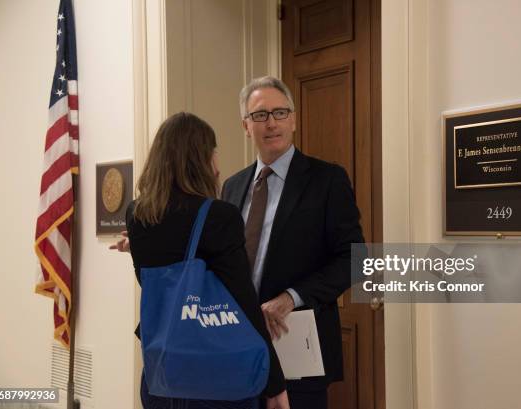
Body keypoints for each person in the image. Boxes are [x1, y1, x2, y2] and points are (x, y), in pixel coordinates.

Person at [124, 112, 289, 409]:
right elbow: (243, 300)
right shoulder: (218, 215)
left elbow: (155, 286)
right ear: (201, 159)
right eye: (214, 153)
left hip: (161, 370)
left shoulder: (137, 215)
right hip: (217, 374)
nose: (217, 164)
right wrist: (274, 383)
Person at [221, 76, 364, 409]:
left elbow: (354, 260)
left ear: (294, 120)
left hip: (297, 344)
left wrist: (290, 297)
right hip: (239, 346)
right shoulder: (232, 186)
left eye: (280, 112)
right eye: (260, 115)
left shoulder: (327, 180)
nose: (271, 123)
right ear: (245, 125)